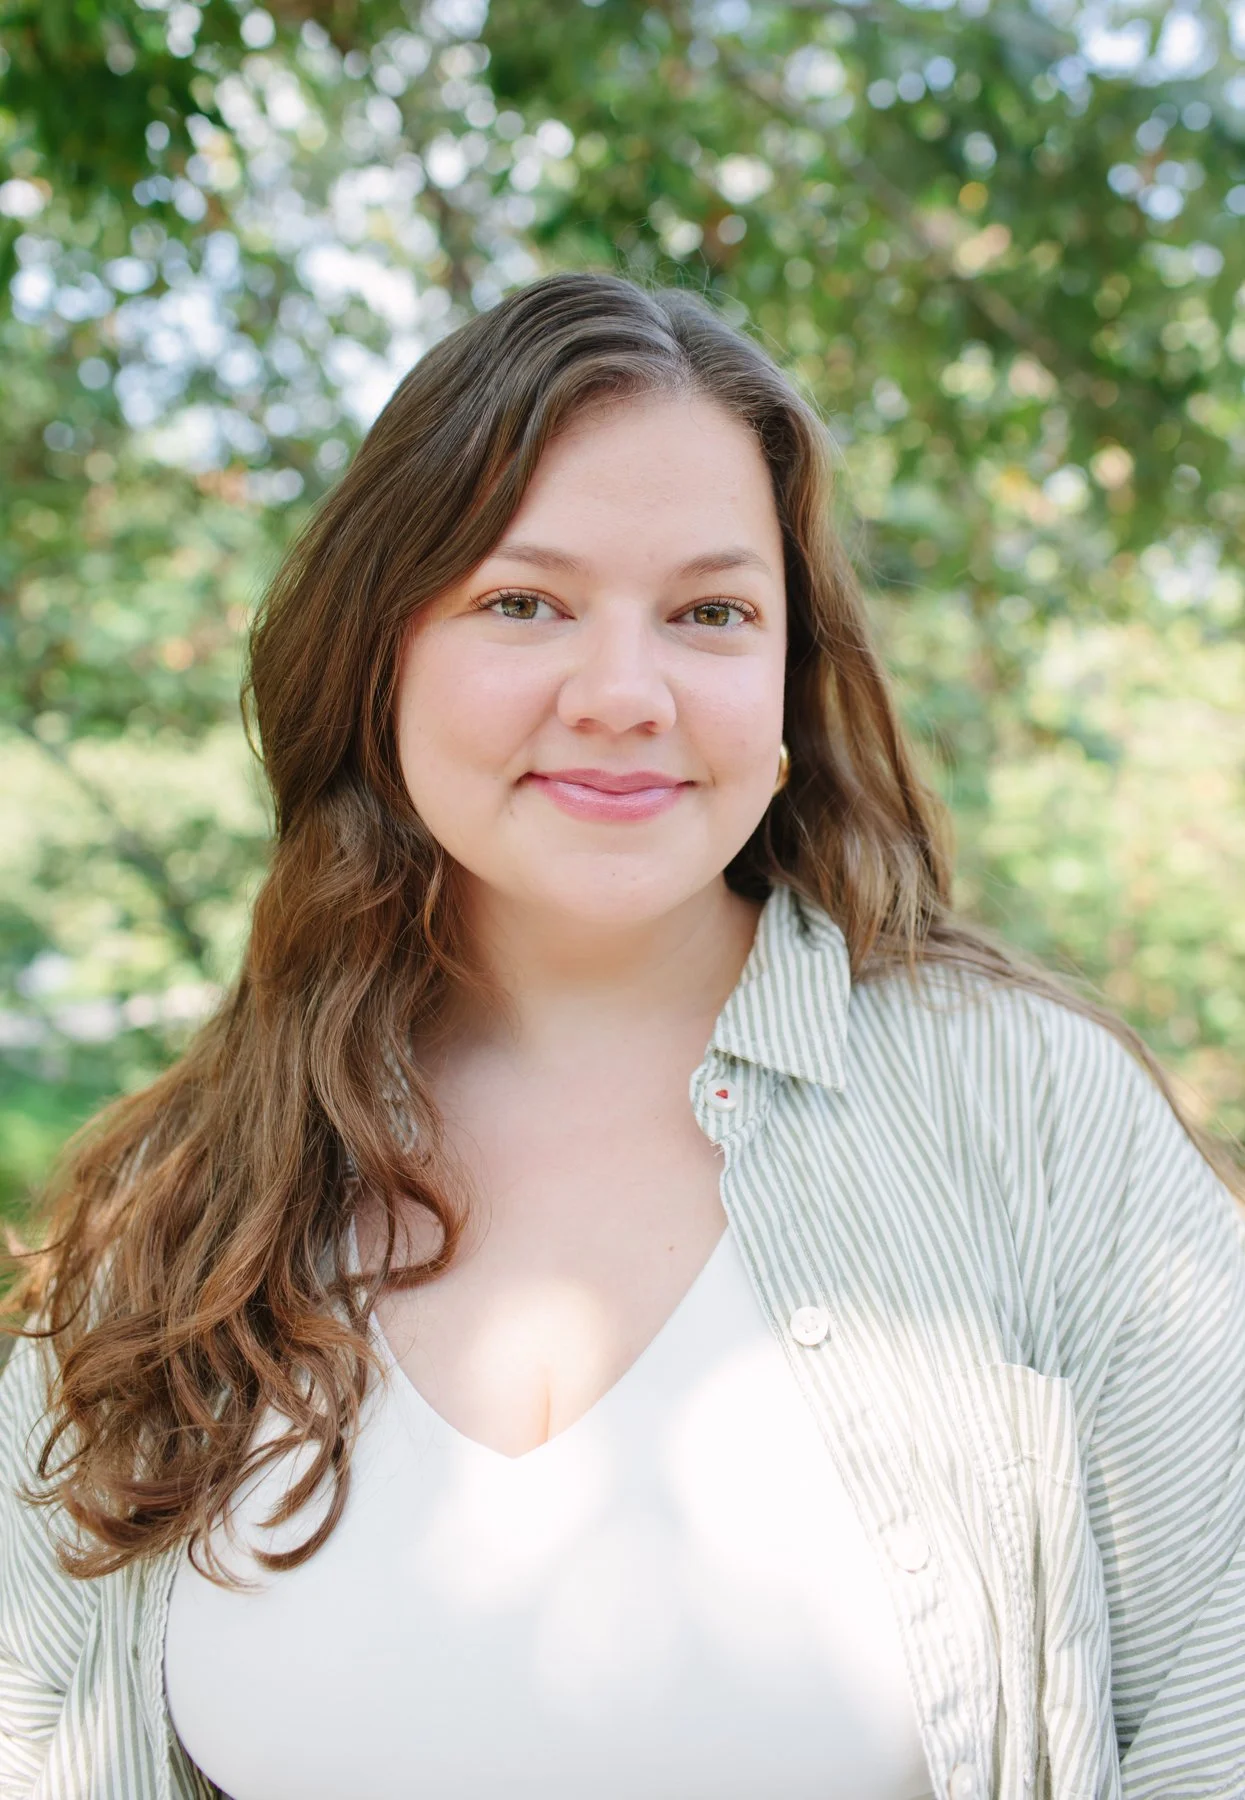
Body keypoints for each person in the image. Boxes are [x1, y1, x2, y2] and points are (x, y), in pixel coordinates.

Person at [1, 271, 1242, 1800]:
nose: (626, 693)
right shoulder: (195, 1199)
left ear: (790, 674)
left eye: (711, 613)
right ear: (379, 652)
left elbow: (1220, 1703)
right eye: (525, 601)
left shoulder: (1032, 1119)